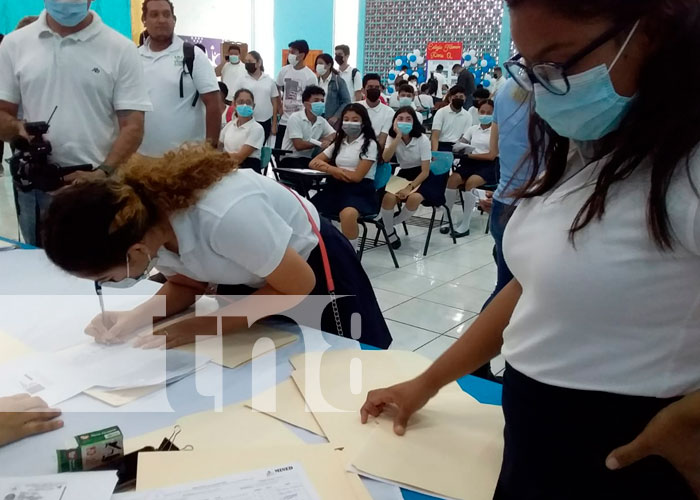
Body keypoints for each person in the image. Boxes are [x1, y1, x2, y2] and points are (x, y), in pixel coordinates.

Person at [361, 0, 700, 498]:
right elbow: (530, 290)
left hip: (624, 451)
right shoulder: (594, 148)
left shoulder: (686, 169)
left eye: (560, 63)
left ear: (648, 33)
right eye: (530, 67)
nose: (543, 88)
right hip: (536, 436)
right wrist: (427, 382)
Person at [42, 146, 393, 351]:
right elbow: (188, 281)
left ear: (134, 253)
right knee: (274, 364)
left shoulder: (223, 216)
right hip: (258, 275)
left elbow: (297, 285)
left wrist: (197, 328)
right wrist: (135, 318)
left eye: (107, 277)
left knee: (339, 365)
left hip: (311, 267)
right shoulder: (146, 222)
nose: (110, 282)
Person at [0, 0, 151, 247]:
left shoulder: (120, 48)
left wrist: (104, 172)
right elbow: (2, 114)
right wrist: (19, 130)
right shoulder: (15, 44)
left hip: (98, 186)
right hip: (35, 189)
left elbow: (133, 125)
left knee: (99, 266)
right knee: (38, 266)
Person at [138, 0, 220, 158]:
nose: (161, 19)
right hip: (142, 159)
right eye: (154, 15)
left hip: (186, 160)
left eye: (166, 14)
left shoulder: (193, 55)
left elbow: (214, 104)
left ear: (174, 20)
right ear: (144, 20)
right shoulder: (134, 57)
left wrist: (209, 150)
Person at [309, 104, 379, 251]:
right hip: (336, 186)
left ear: (363, 122)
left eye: (355, 119)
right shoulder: (339, 142)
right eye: (346, 119)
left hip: (360, 191)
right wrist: (335, 170)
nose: (349, 123)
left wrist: (333, 170)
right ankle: (321, 249)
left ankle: (351, 253)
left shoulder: (370, 144)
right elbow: (314, 162)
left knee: (347, 214)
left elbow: (356, 177)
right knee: (309, 209)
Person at [379, 107, 437, 249]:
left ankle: (390, 223)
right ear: (394, 122)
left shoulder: (422, 139)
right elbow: (385, 158)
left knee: (413, 198)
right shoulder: (392, 138)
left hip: (423, 176)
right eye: (400, 118)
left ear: (414, 122)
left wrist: (408, 188)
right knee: (389, 197)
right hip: (404, 173)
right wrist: (398, 136)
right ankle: (390, 232)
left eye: (408, 119)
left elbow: (425, 171)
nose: (404, 122)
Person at [441, 99, 497, 238]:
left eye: (489, 113)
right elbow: (461, 143)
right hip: (470, 162)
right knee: (452, 180)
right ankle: (446, 218)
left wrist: (470, 156)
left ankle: (465, 224)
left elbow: (491, 155)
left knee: (471, 182)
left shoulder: (497, 131)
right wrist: (458, 147)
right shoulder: (473, 129)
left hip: (489, 165)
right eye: (482, 112)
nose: (485, 115)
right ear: (477, 112)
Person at [280, 86, 336, 169]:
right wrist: (320, 143)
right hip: (290, 159)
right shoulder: (295, 118)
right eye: (316, 100)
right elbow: (298, 145)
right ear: (306, 104)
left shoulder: (321, 121)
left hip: (308, 160)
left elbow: (334, 134)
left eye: (322, 101)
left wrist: (328, 139)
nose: (320, 103)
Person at [275, 40, 318, 149]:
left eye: (293, 52)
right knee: (279, 152)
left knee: (296, 152)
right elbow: (276, 88)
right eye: (289, 52)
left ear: (302, 55)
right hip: (284, 120)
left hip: (300, 122)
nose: (290, 55)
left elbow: (313, 100)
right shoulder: (284, 71)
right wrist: (279, 106)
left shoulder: (310, 76)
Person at [229, 50, 279, 143]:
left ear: (259, 62)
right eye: (246, 61)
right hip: (246, 120)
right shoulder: (241, 79)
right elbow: (234, 100)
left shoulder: (269, 80)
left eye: (250, 61)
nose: (247, 64)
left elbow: (274, 101)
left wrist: (274, 123)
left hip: (265, 120)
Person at [220, 89, 265, 173]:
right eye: (240, 102)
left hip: (247, 171)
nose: (245, 105)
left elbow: (239, 158)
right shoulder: (229, 125)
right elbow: (218, 145)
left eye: (248, 103)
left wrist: (218, 157)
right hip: (227, 167)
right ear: (234, 105)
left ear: (253, 106)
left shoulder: (256, 128)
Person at [358, 74, 394, 152]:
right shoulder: (355, 107)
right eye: (370, 87)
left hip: (375, 152)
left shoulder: (389, 112)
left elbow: (382, 141)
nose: (374, 90)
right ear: (363, 90)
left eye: (377, 87)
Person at [430, 86, 472, 152]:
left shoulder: (468, 115)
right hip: (441, 145)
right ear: (450, 98)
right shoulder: (441, 112)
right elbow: (435, 135)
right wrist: (434, 153)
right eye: (455, 97)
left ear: (465, 99)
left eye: (461, 97)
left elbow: (464, 136)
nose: (458, 99)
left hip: (458, 147)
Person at [315, 53, 350, 126]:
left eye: (321, 63)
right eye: (317, 64)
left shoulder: (338, 81)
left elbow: (346, 101)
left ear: (329, 65)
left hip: (332, 121)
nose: (318, 66)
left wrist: (336, 116)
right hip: (317, 119)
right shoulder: (315, 81)